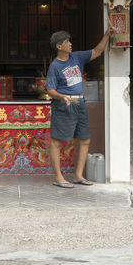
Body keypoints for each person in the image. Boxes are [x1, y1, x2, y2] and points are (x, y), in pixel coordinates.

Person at [45, 23, 112, 188]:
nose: (70, 44)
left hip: (79, 101)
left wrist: (107, 34)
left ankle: (78, 175)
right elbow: (50, 89)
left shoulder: (77, 57)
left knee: (84, 139)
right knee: (57, 141)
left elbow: (97, 51)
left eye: (70, 41)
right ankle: (58, 177)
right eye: (67, 42)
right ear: (59, 46)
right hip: (64, 104)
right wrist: (62, 96)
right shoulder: (55, 66)